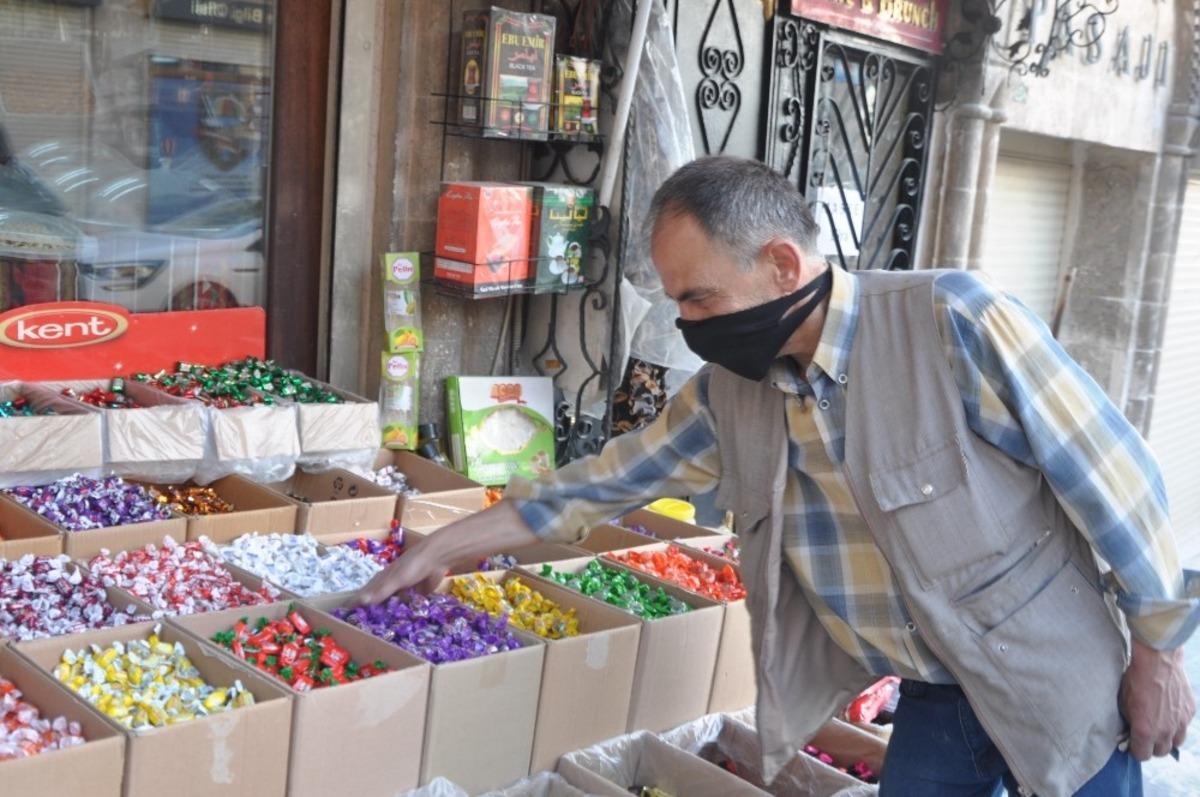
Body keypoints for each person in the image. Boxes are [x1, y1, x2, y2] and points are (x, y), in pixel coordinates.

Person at [358, 156, 1197, 796]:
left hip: (1054, 679)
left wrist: (1158, 652)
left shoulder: (954, 324)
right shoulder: (732, 395)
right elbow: (596, 486)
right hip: (936, 698)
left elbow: (1115, 480)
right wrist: (443, 548)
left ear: (783, 265)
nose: (686, 324)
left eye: (700, 299)